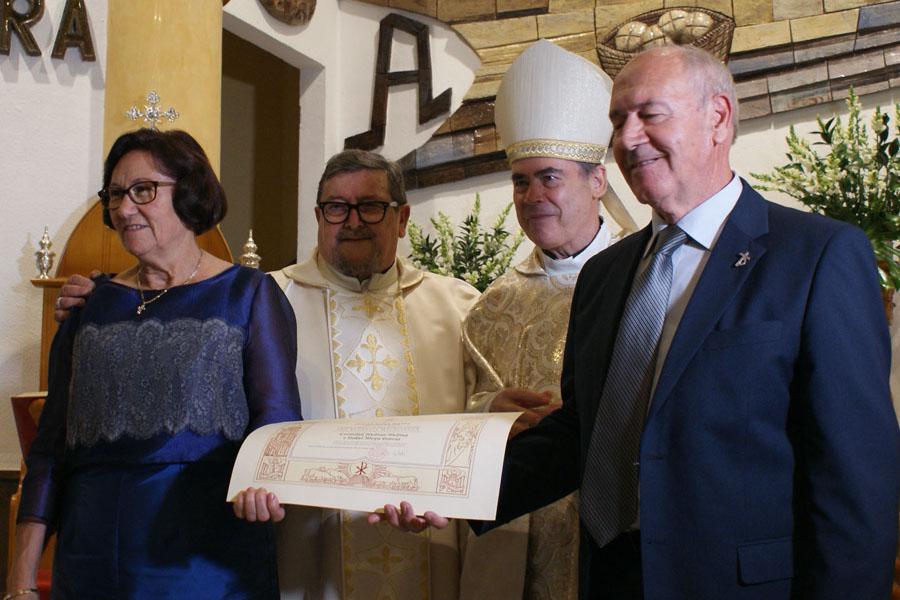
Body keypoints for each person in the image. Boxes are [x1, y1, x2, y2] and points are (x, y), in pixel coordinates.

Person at [374, 45, 900, 599]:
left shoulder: (815, 256)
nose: (625, 139)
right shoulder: (605, 274)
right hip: (613, 580)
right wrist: (451, 490)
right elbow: (582, 433)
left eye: (649, 115)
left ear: (717, 118)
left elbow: (855, 478)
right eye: (617, 119)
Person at [7, 128, 302, 599]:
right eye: (116, 194)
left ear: (189, 191)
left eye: (144, 190)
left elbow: (278, 418)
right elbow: (49, 451)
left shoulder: (247, 294)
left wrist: (265, 483)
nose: (124, 209)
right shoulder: (88, 305)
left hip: (203, 560)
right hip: (88, 560)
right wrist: (21, 581)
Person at [232, 149, 480, 599]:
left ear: (401, 218)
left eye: (370, 206)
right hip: (306, 552)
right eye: (336, 208)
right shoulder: (268, 301)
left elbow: (481, 430)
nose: (352, 221)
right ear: (318, 217)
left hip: (430, 542)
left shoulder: (458, 308)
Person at [459, 40, 636, 600]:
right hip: (509, 541)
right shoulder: (491, 307)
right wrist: (491, 414)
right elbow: (465, 407)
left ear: (597, 181)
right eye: (520, 181)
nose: (533, 196)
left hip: (611, 542)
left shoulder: (645, 285)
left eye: (550, 177)